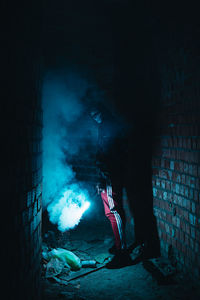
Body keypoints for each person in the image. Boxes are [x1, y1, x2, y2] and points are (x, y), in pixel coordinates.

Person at [90, 104, 133, 268]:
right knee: (113, 211)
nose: (92, 116)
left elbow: (107, 155)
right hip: (111, 174)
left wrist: (103, 177)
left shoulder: (107, 127)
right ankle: (119, 245)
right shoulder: (107, 125)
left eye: (94, 111)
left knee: (113, 211)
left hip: (110, 175)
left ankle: (122, 253)